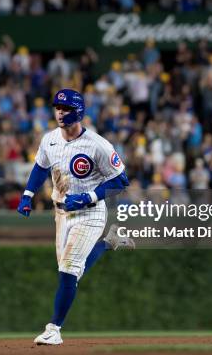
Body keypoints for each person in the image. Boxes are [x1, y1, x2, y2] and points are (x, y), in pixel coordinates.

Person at [17, 89, 134, 345]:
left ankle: (54, 329)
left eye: (66, 108)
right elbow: (40, 167)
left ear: (78, 111)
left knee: (68, 270)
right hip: (61, 213)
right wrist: (27, 194)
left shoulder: (98, 144)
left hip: (90, 212)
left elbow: (121, 180)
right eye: (57, 107)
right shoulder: (49, 139)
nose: (60, 112)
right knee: (72, 271)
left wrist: (89, 197)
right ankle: (108, 242)